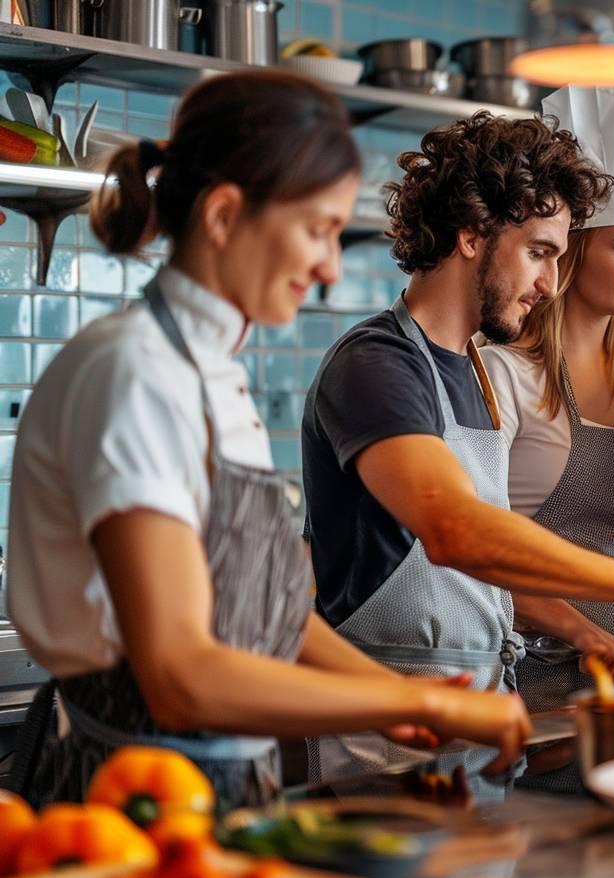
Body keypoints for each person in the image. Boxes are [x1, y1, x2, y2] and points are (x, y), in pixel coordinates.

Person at [6, 72, 531, 811]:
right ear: (225, 215)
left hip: (222, 786)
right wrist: (417, 702)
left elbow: (273, 616)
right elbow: (179, 675)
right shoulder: (136, 374)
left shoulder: (211, 375)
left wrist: (399, 698)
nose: (330, 267)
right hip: (127, 793)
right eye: (317, 230)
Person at [302, 110, 614, 784]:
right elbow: (458, 531)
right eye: (540, 252)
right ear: (470, 234)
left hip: (480, 713)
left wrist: (572, 626)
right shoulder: (377, 363)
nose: (549, 283)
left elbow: (480, 569)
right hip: (387, 732)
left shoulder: (469, 370)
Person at [480, 85, 614, 722]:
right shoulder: (504, 373)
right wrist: (576, 628)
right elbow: (477, 552)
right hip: (537, 675)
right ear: (570, 249)